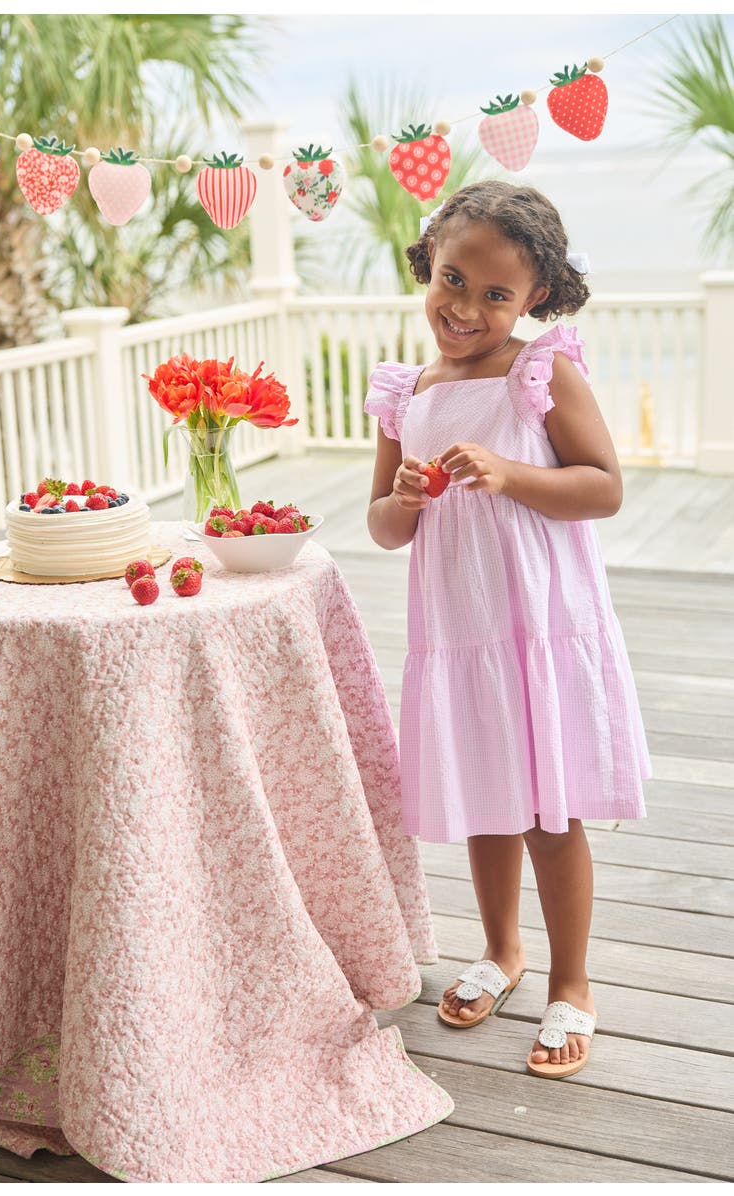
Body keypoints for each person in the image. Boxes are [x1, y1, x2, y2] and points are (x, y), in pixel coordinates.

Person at [364, 180, 651, 1080]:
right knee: (487, 802)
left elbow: (602, 486)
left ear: (538, 298)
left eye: (496, 294)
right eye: (453, 279)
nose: (466, 307)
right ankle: (501, 951)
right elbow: (382, 526)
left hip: (540, 627)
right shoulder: (406, 391)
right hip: (460, 634)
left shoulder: (541, 371)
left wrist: (510, 473)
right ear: (429, 265)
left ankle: (572, 982)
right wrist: (402, 498)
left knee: (549, 810)